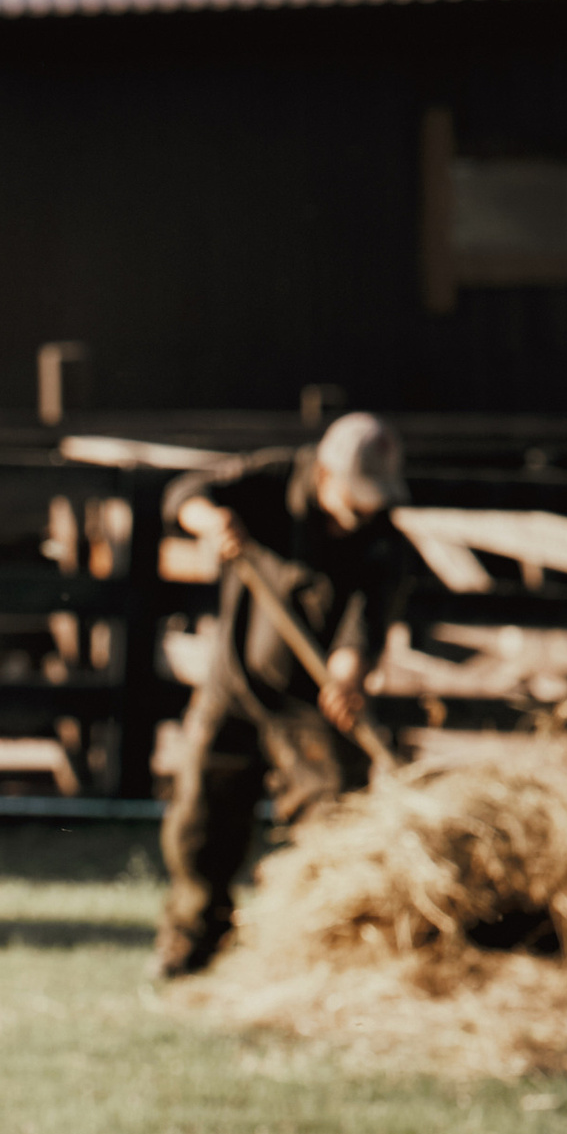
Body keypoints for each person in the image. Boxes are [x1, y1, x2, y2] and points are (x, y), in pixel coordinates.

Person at [154, 410, 415, 980]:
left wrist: (347, 676)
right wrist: (212, 522)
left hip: (312, 704)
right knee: (200, 818)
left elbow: (365, 625)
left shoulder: (382, 543)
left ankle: (329, 953)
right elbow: (184, 494)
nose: (364, 510)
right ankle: (192, 939)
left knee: (335, 821)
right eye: (355, 496)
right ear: (324, 473)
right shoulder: (272, 483)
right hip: (235, 685)